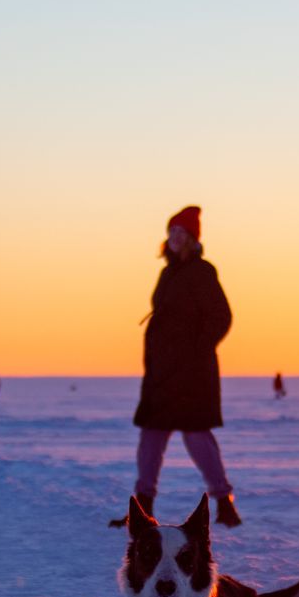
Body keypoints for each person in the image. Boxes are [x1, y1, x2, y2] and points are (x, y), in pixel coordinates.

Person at [111, 205, 240, 528]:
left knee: (197, 435)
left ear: (192, 239)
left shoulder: (202, 271)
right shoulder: (168, 272)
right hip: (161, 373)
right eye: (170, 232)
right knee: (151, 437)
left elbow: (221, 317)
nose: (173, 238)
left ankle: (225, 504)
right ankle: (142, 509)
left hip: (192, 372)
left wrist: (195, 350)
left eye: (180, 233)